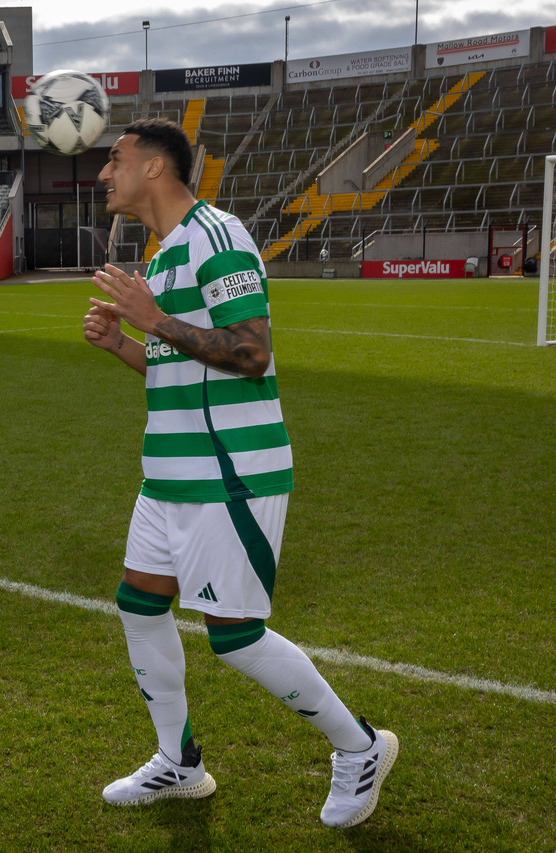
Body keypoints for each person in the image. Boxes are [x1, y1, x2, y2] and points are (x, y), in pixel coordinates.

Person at [83, 119, 397, 828]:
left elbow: (250, 353)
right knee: (139, 604)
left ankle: (362, 746)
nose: (105, 174)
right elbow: (178, 372)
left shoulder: (218, 236)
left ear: (156, 168)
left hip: (229, 472)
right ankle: (180, 762)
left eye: (116, 159)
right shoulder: (162, 256)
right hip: (168, 475)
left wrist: (155, 319)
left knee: (235, 634)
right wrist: (124, 344)